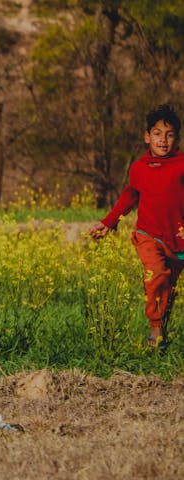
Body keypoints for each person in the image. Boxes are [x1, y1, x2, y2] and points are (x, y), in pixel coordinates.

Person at [90, 104, 184, 350]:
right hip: (148, 235)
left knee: (168, 289)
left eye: (170, 134)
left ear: (177, 139)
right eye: (157, 133)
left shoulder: (182, 165)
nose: (163, 140)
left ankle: (162, 330)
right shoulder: (139, 168)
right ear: (147, 136)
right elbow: (130, 196)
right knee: (156, 275)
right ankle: (154, 331)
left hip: (179, 238)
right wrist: (108, 222)